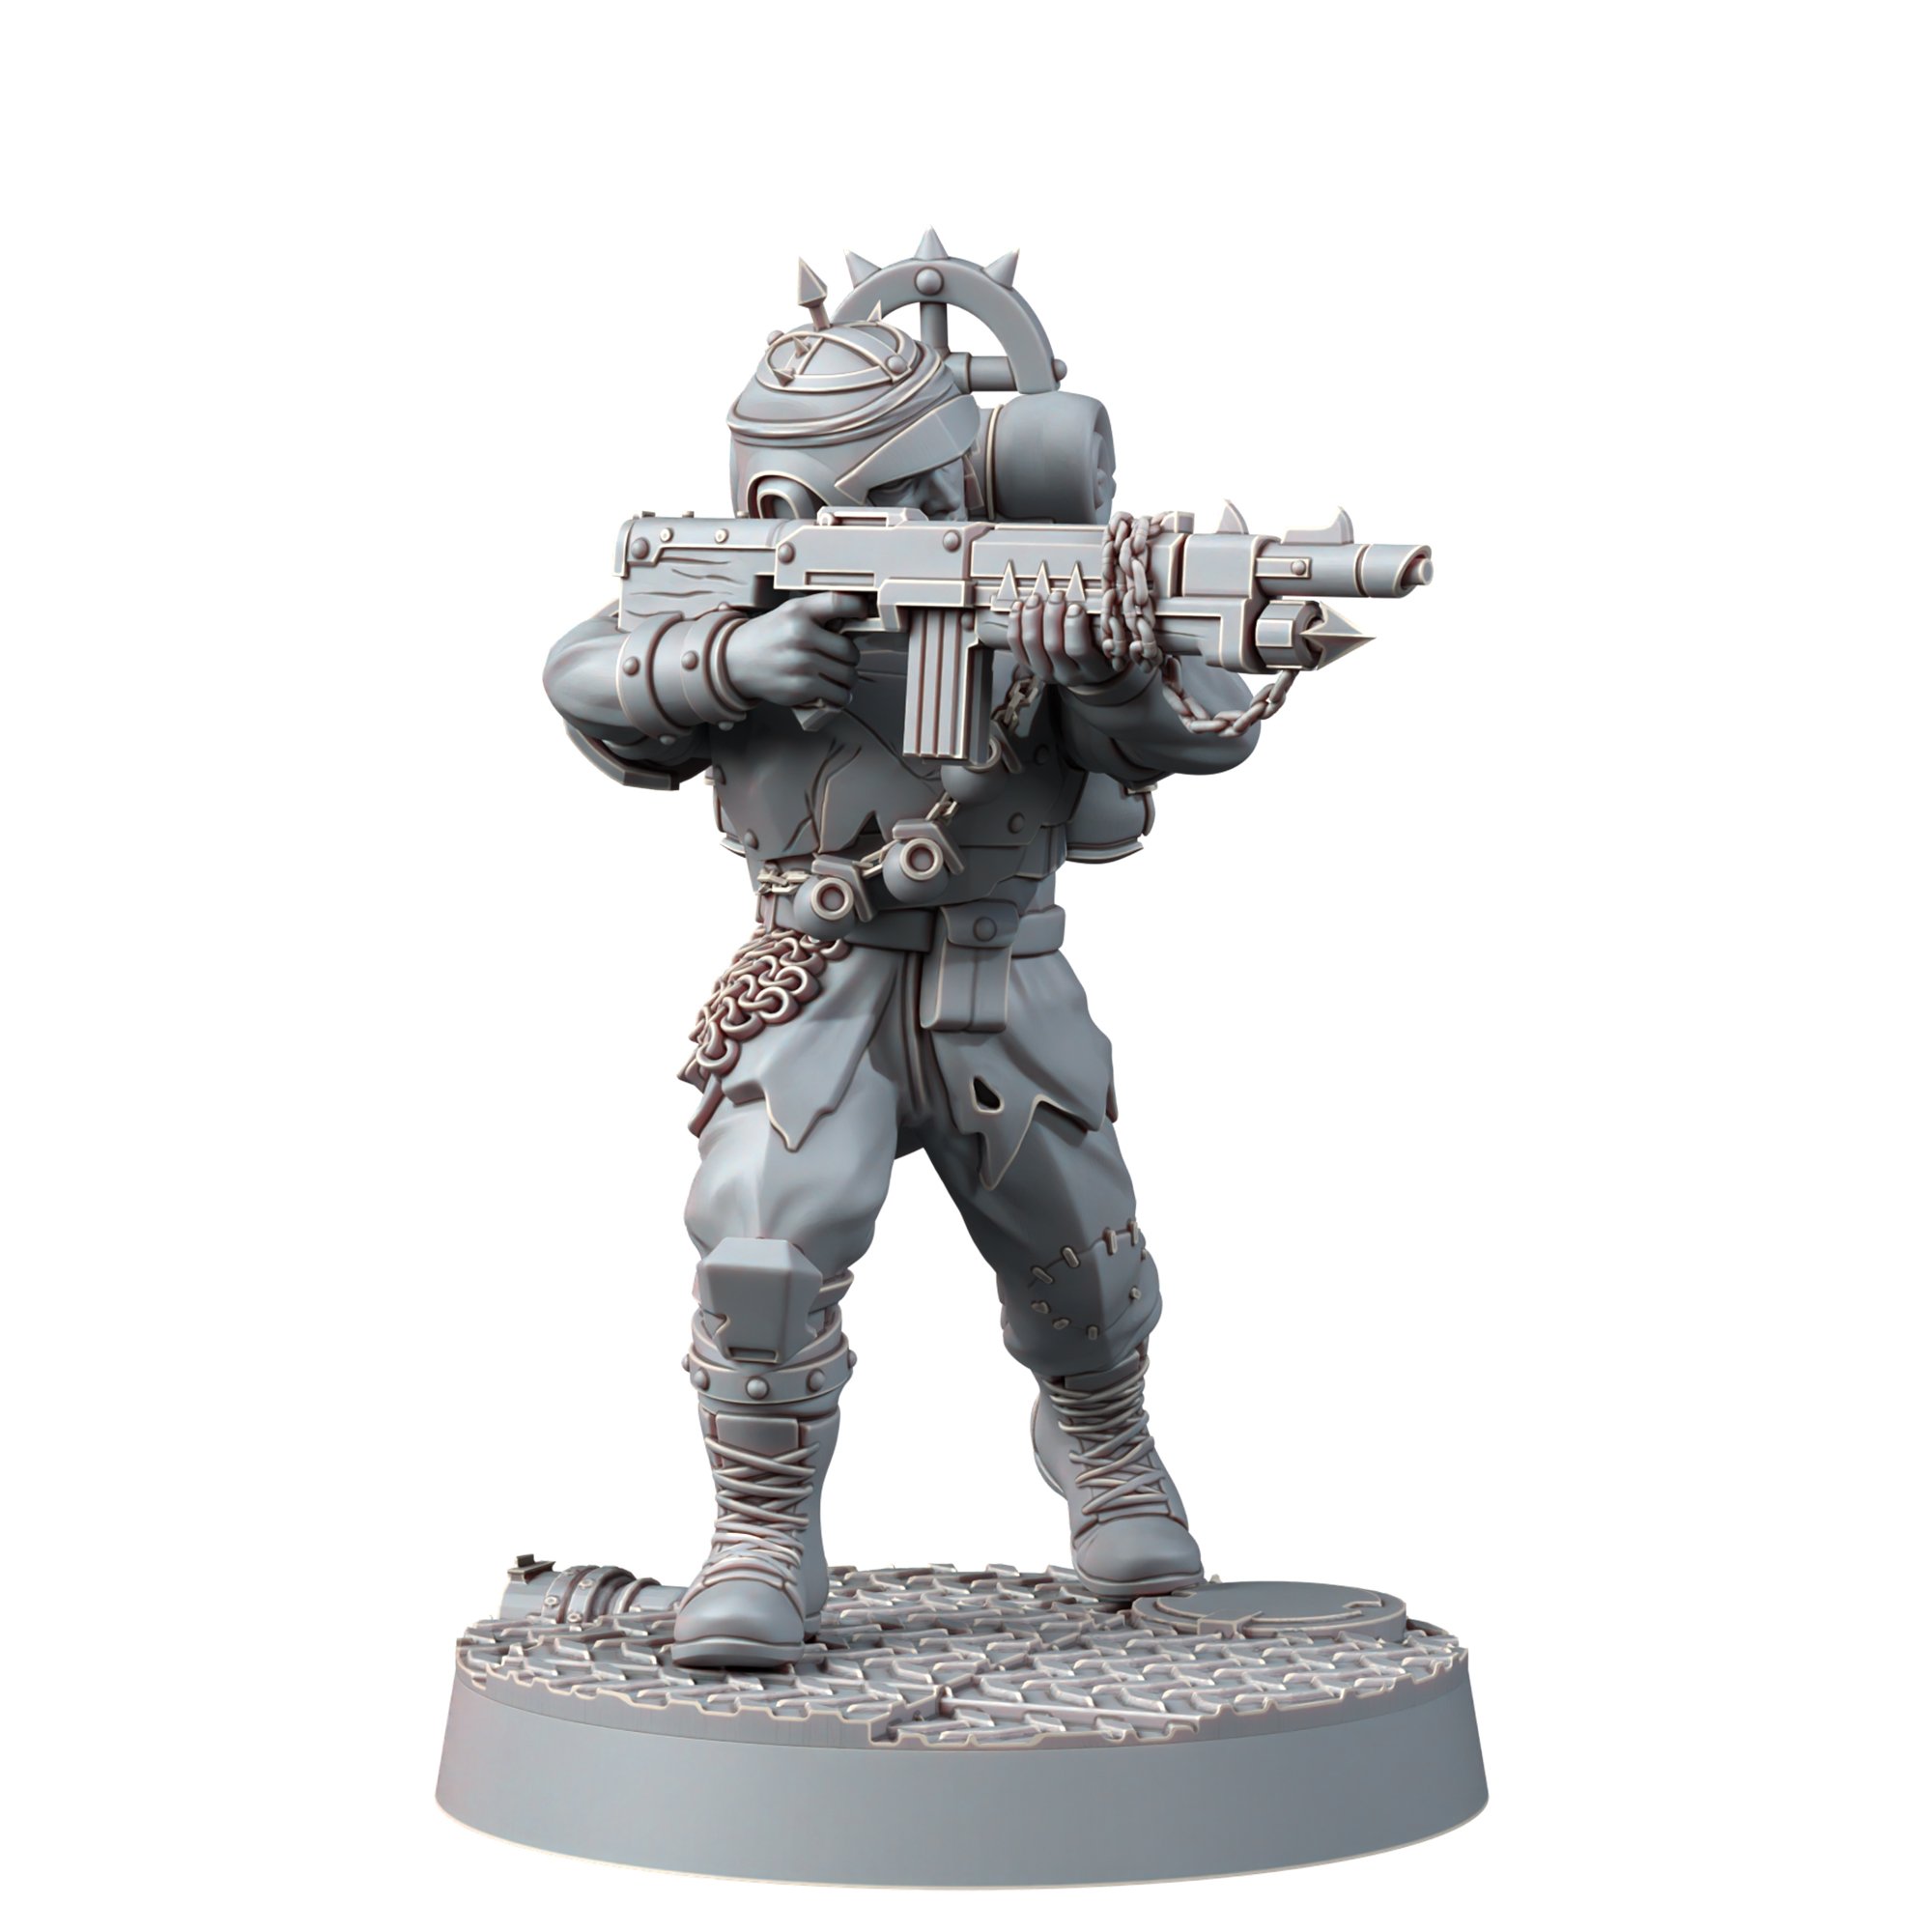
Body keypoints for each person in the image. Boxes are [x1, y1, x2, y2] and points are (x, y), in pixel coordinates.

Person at [543, 313, 1263, 1667]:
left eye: (946, 491)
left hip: (1003, 970)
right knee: (762, 1253)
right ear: (783, 506)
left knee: (1083, 1252)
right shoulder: (724, 585)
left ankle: (1107, 1454)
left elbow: (1198, 731)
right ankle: (761, 1533)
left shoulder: (1044, 574)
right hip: (817, 977)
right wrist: (727, 665)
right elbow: (582, 673)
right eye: (901, 500)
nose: (937, 524)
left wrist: (1105, 675)